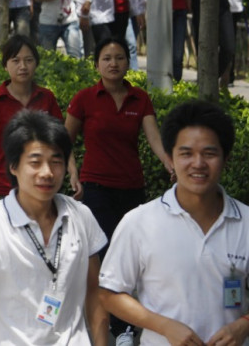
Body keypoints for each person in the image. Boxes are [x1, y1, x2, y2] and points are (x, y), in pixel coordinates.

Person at [99, 100, 249, 346]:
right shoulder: (140, 222)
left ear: (226, 159)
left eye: (209, 153)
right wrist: (164, 326)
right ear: (170, 158)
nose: (198, 163)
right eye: (186, 153)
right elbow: (109, 294)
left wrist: (245, 325)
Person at [0, 110, 108, 345]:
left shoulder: (80, 216)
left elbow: (95, 293)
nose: (46, 172)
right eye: (35, 162)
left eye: (56, 162)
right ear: (14, 167)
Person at [65, 36, 172, 345]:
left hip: (132, 189)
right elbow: (64, 141)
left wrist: (170, 163)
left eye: (119, 58)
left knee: (130, 258)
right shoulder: (84, 98)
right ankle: (117, 326)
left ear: (128, 62)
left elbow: (154, 140)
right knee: (105, 254)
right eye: (107, 58)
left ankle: (123, 323)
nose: (113, 63)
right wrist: (73, 172)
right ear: (97, 64)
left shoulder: (140, 99)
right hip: (96, 188)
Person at [0, 35, 65, 200]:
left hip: (39, 186)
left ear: (36, 63)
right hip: (1, 189)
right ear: (5, 66)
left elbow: (60, 142)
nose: (23, 66)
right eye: (15, 61)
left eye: (29, 60)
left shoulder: (47, 98)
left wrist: (71, 172)